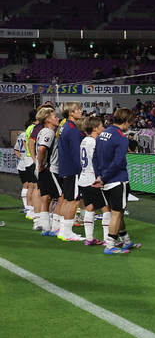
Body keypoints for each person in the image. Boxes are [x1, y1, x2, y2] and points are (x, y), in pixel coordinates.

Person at [94, 108, 141, 254]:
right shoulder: (121, 137)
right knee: (117, 213)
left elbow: (95, 157)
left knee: (118, 211)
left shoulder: (103, 134)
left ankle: (126, 240)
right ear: (126, 122)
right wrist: (104, 178)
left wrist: (99, 176)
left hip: (105, 179)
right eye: (130, 123)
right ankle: (110, 245)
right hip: (117, 180)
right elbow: (118, 162)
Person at [78, 115, 111, 247]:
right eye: (101, 126)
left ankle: (89, 238)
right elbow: (97, 160)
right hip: (93, 179)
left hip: (84, 178)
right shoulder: (93, 142)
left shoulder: (84, 141)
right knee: (107, 208)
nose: (104, 128)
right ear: (95, 128)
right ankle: (108, 239)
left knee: (90, 207)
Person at [55, 102, 85, 242]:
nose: (81, 111)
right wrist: (80, 170)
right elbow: (75, 153)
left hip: (65, 167)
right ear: (70, 113)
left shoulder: (64, 126)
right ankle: (67, 232)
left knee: (67, 200)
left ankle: (63, 229)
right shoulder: (72, 129)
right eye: (77, 109)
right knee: (73, 201)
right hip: (72, 169)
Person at [33, 107, 61, 237]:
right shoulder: (49, 132)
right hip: (50, 169)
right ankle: (56, 227)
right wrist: (41, 164)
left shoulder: (42, 131)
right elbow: (42, 149)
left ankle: (45, 227)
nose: (58, 118)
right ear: (48, 119)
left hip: (43, 170)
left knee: (46, 197)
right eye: (55, 116)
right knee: (61, 197)